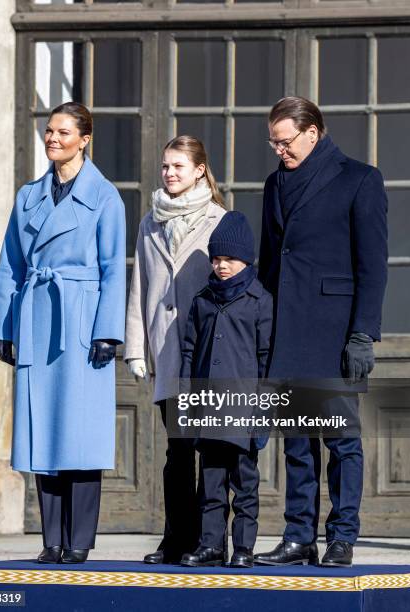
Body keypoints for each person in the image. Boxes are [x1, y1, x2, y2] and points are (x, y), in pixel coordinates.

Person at [0, 102, 126, 564]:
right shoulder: (28, 196)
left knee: (80, 431)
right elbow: (11, 264)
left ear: (84, 139)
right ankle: (51, 540)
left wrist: (109, 329)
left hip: (81, 322)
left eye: (63, 133)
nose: (52, 139)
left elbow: (112, 268)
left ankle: (79, 540)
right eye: (49, 131)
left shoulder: (105, 197)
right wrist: (5, 326)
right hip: (36, 317)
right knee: (43, 428)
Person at [255, 97, 388, 568]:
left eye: (285, 142)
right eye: (273, 142)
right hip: (287, 329)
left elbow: (372, 265)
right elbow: (270, 261)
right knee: (296, 442)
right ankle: (298, 537)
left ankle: (342, 536)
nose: (279, 151)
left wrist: (362, 334)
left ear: (313, 133)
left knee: (341, 442)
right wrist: (260, 324)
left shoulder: (359, 179)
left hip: (334, 333)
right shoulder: (274, 184)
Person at [124, 135, 226, 564]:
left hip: (207, 352)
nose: (169, 173)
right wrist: (135, 347)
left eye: (179, 166)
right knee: (178, 450)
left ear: (200, 169)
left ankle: (208, 540)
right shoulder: (150, 221)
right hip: (165, 350)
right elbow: (140, 286)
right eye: (166, 166)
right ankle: (175, 538)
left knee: (212, 448)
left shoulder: (221, 220)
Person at [179, 212, 272, 568]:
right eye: (216, 259)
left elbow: (265, 359)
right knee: (211, 484)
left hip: (243, 411)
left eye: (229, 259)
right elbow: (189, 351)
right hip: (208, 408)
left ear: (246, 260)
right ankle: (211, 546)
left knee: (244, 485)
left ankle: (244, 548)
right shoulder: (203, 301)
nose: (221, 266)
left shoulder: (259, 301)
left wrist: (262, 412)